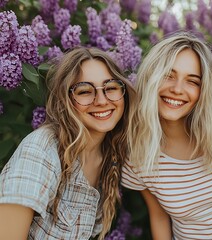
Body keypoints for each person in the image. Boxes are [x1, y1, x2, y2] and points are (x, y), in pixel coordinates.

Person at [121, 32, 212, 240]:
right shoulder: (138, 154)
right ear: (151, 78)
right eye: (168, 75)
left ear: (204, 90)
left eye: (192, 81)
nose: (177, 89)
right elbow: (159, 216)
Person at [0, 47, 135, 239]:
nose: (102, 100)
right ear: (65, 100)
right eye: (84, 91)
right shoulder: (41, 151)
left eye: (111, 87)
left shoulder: (110, 152)